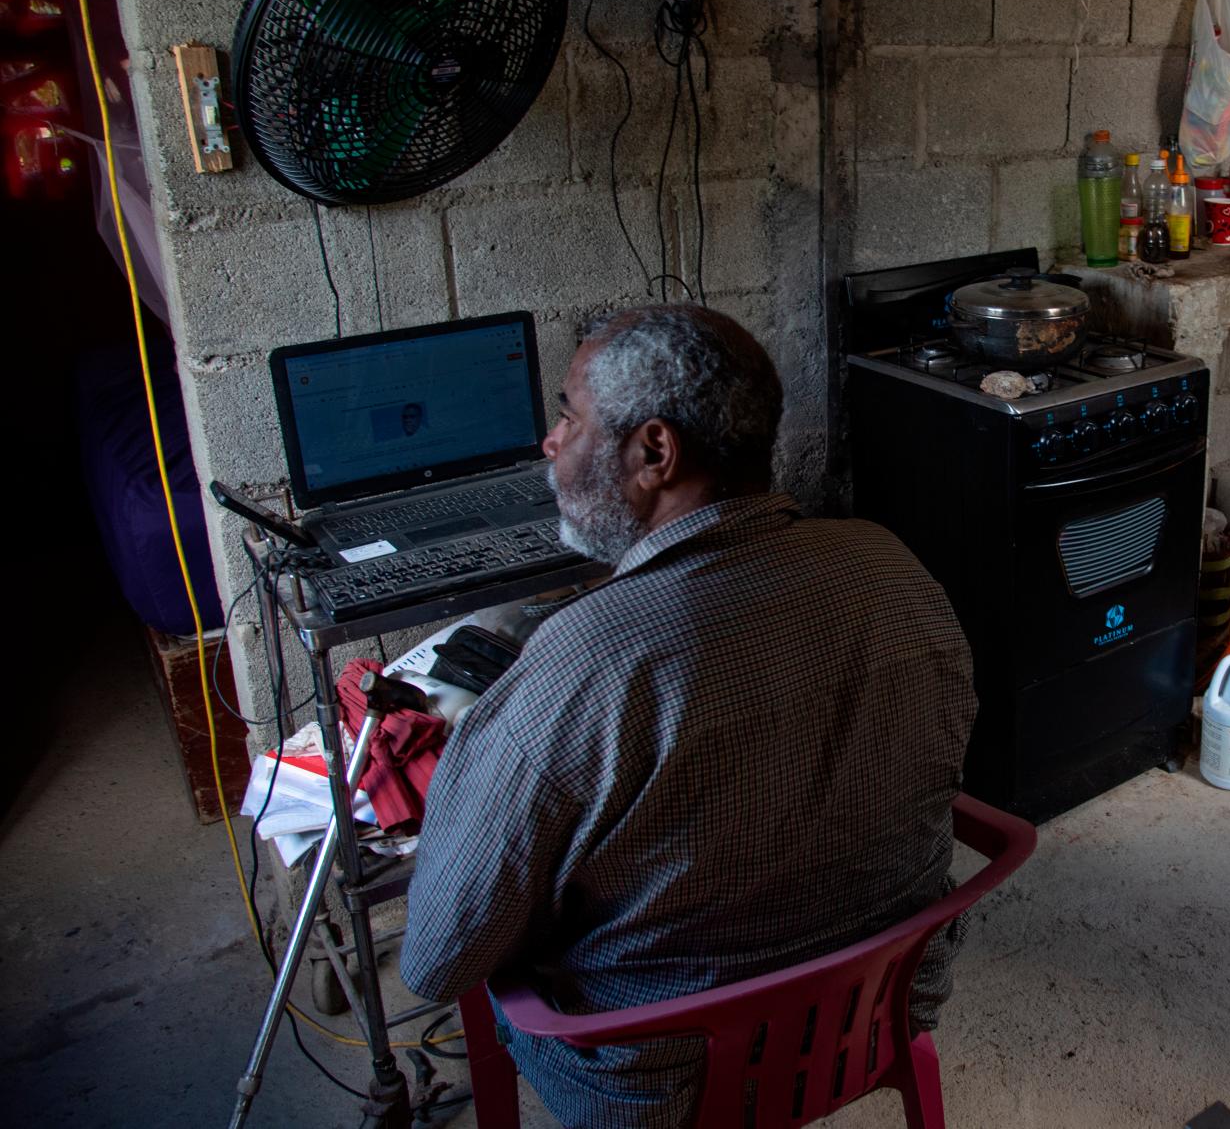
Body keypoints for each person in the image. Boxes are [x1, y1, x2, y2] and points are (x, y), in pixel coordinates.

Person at [401, 305, 977, 1127]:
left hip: (662, 1084)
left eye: (568, 414)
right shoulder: (893, 567)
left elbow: (434, 958)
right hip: (872, 1016)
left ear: (655, 452)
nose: (551, 442)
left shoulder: (577, 661)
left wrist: (479, 759)